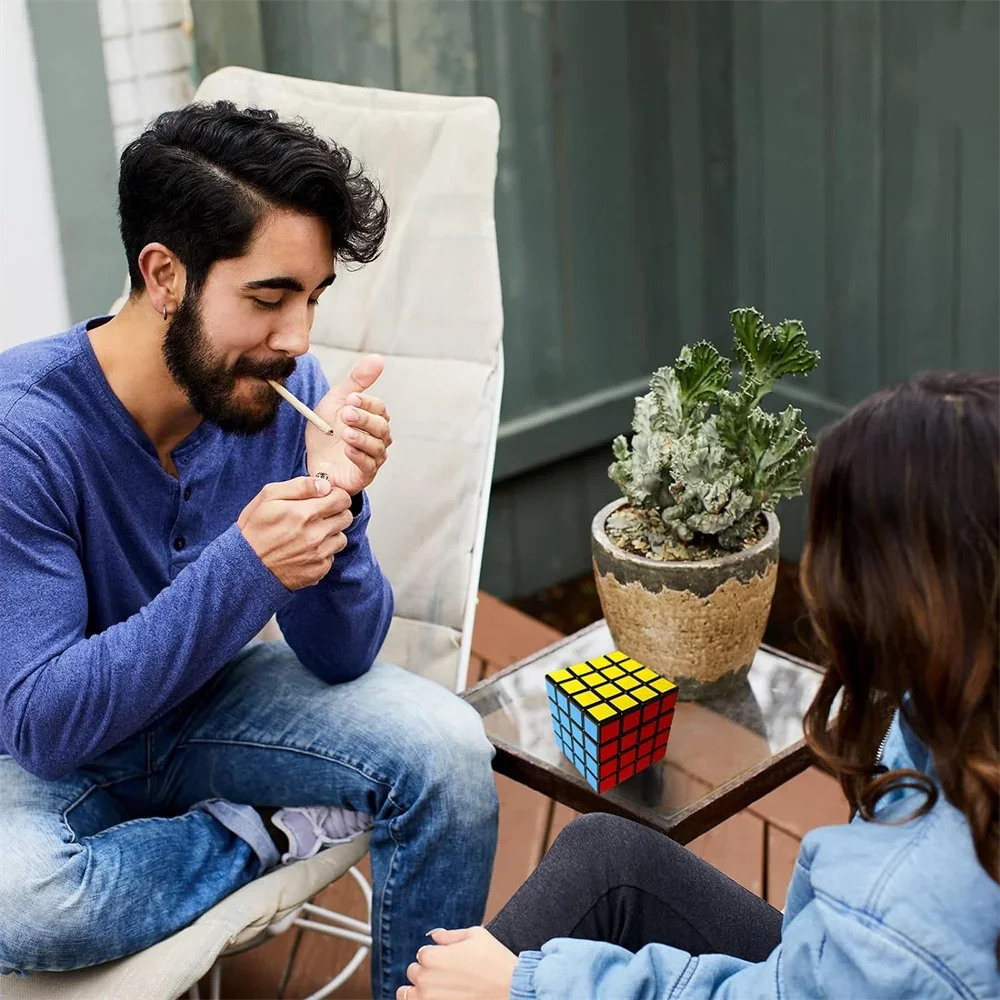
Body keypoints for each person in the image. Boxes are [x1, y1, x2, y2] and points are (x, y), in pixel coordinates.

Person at [0, 101, 498, 1000]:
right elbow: (42, 725)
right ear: (164, 275)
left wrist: (333, 500)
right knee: (23, 901)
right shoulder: (22, 435)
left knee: (449, 753)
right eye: (268, 298)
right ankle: (256, 834)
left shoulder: (277, 391)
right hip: (57, 751)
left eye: (311, 298)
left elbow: (342, 654)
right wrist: (245, 564)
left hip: (210, 704)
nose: (299, 338)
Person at [397, 372, 1000, 1000]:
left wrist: (526, 986)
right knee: (603, 853)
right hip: (828, 966)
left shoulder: (900, 908)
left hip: (843, 967)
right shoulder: (960, 714)